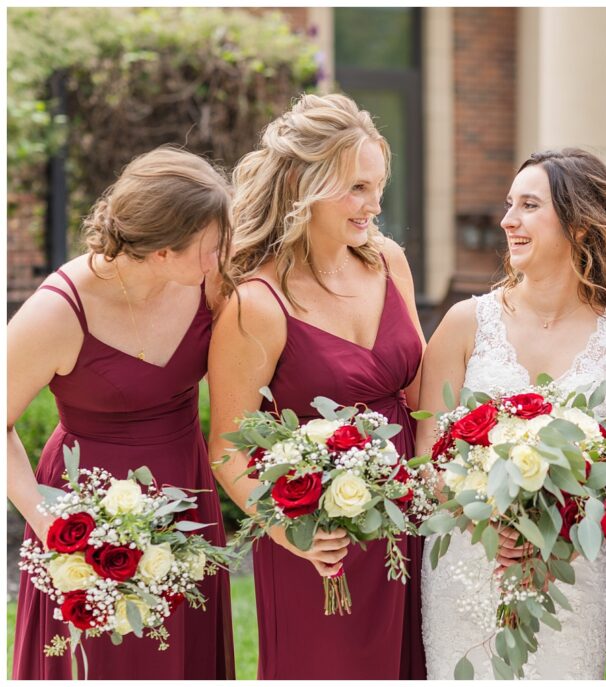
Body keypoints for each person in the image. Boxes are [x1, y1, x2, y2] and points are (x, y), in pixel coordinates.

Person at [207, 93, 426, 679]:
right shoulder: (257, 303)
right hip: (318, 535)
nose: (374, 205)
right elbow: (228, 448)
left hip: (409, 521)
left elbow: (425, 396)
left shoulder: (388, 262)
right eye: (356, 188)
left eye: (378, 185)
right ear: (304, 185)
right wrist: (291, 532)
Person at [417, 149, 606, 679]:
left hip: (570, 572)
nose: (508, 221)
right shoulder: (464, 323)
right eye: (508, 205)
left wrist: (559, 527)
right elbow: (425, 461)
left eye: (528, 206)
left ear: (577, 223)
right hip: (469, 562)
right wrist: (489, 517)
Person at [8, 147, 235, 679]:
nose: (219, 256)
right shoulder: (58, 312)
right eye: (207, 247)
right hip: (89, 504)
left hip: (188, 489)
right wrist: (52, 522)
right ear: (161, 251)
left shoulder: (210, 281)